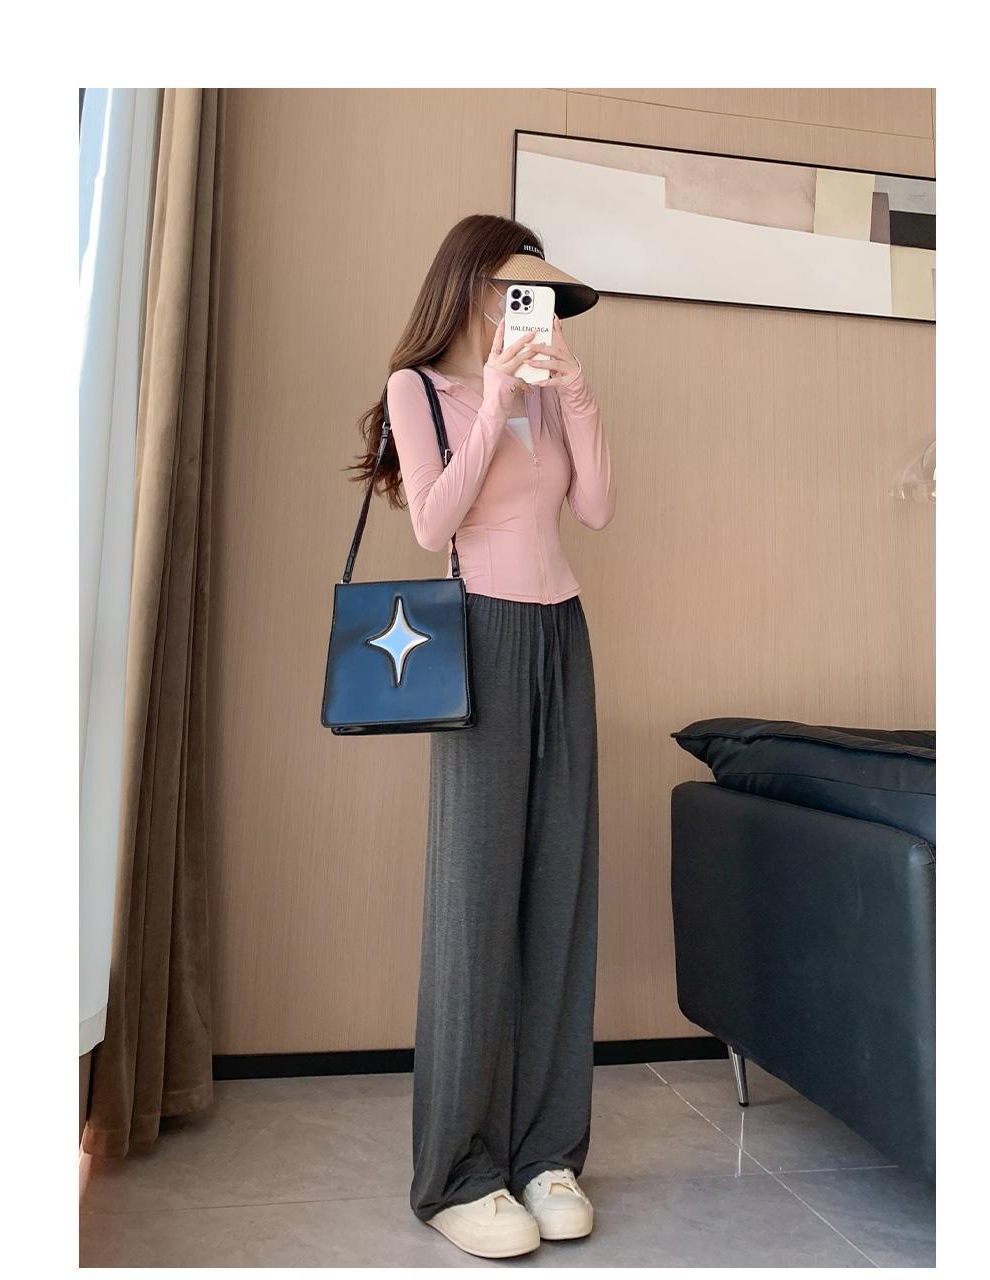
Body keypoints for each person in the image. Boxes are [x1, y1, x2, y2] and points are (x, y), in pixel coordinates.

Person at [349, 214, 616, 1259]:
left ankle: (546, 1153)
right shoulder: (416, 388)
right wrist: (496, 395)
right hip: (482, 637)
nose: (527, 309)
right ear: (470, 286)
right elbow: (434, 521)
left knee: (560, 890)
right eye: (513, 290)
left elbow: (596, 508)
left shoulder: (552, 392)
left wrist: (573, 393)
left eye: (537, 294)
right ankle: (461, 1170)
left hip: (563, 633)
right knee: (475, 896)